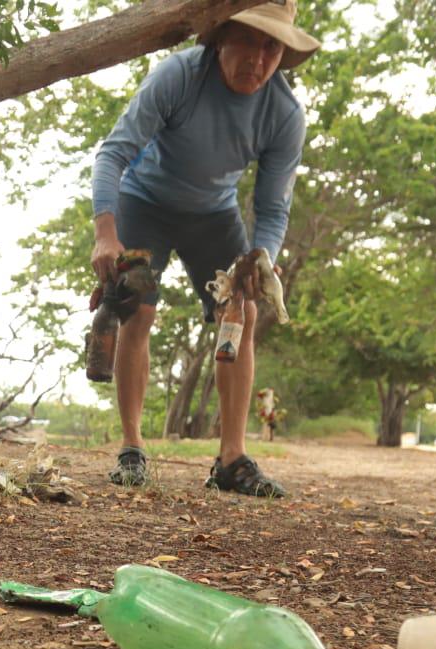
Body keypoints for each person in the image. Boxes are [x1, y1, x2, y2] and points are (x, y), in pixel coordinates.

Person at [90, 0, 319, 497]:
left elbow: (273, 210)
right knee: (137, 312)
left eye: (271, 47)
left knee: (242, 313)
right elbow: (113, 153)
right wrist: (106, 234)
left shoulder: (283, 114)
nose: (258, 60)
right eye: (249, 41)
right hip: (143, 201)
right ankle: (132, 448)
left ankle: (231, 459)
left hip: (213, 216)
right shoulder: (179, 77)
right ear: (221, 37)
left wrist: (261, 258)